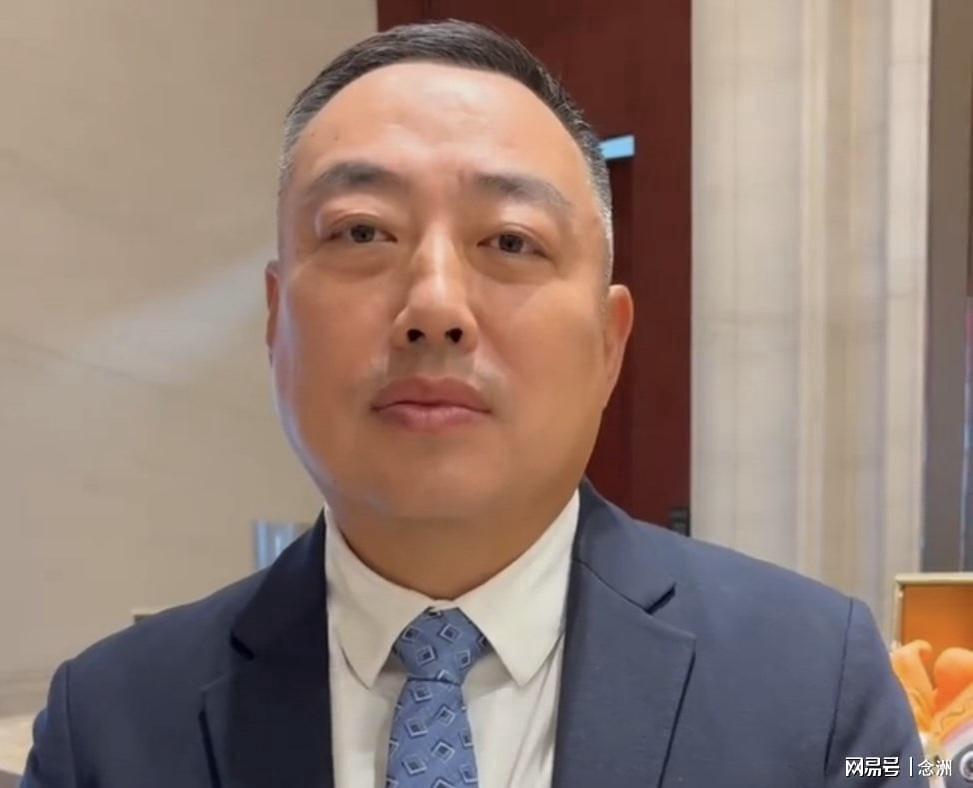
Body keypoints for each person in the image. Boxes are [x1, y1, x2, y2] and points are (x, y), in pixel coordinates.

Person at [21, 19, 924, 788]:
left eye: (511, 241)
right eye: (363, 232)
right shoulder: (106, 725)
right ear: (274, 318)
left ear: (608, 343)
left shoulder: (820, 688)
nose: (435, 307)